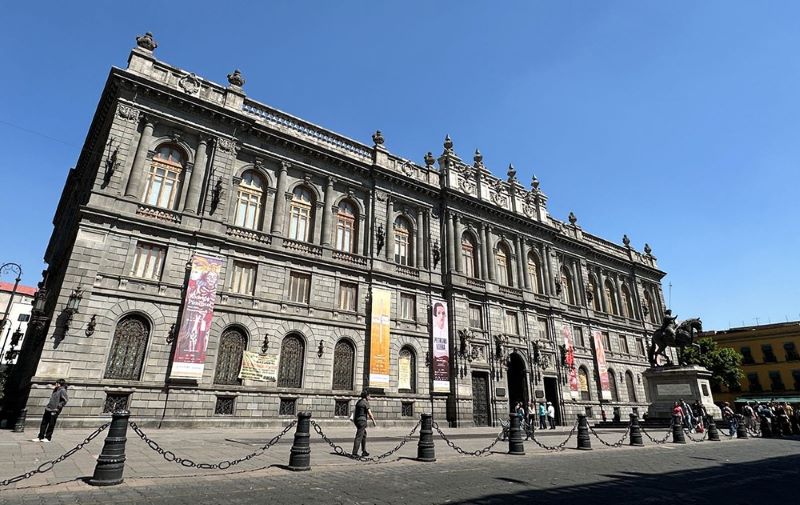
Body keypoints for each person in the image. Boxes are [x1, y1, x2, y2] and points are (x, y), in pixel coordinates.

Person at [352, 389, 376, 457]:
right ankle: (354, 453)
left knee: (364, 434)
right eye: (369, 396)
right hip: (362, 421)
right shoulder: (365, 403)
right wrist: (374, 421)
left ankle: (364, 451)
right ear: (366, 396)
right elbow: (370, 413)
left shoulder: (359, 402)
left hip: (357, 421)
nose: (370, 397)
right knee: (359, 436)